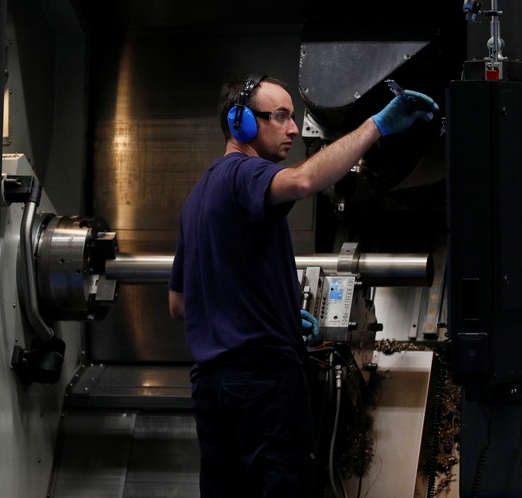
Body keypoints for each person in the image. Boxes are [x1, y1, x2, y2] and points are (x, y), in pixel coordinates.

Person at [167, 74, 438, 498]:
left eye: (292, 117)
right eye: (280, 117)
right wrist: (376, 125)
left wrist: (275, 310)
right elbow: (303, 182)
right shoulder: (244, 172)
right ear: (240, 123)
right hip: (263, 382)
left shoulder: (197, 198)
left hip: (212, 388)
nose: (293, 129)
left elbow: (179, 303)